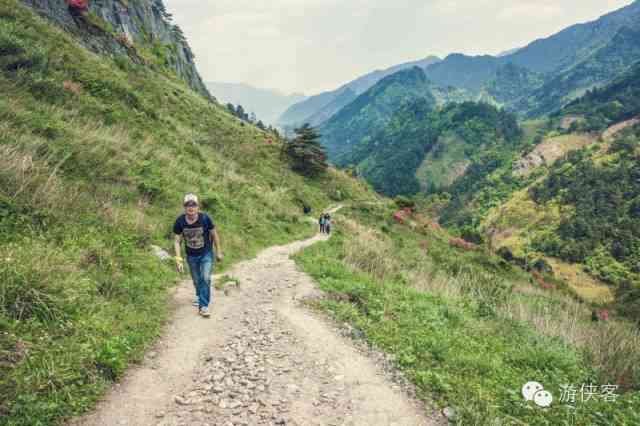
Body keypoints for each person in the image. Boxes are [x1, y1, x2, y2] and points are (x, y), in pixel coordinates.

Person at [173, 193, 223, 318]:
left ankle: (204, 306)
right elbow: (177, 241)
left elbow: (214, 235)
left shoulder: (205, 218)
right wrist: (178, 259)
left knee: (205, 277)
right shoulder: (179, 222)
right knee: (196, 280)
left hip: (206, 253)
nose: (191, 207)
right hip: (191, 256)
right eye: (188, 205)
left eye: (193, 204)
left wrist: (219, 251)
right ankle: (199, 295)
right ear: (184, 207)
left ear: (197, 206)